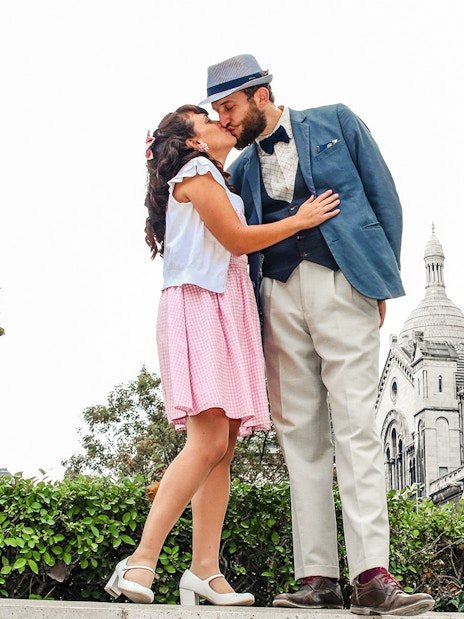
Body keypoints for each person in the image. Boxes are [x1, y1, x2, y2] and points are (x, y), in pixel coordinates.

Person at [199, 54, 436, 615]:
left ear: (261, 94)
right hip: (276, 297)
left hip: (341, 282)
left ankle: (374, 577)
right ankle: (317, 578)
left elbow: (385, 199)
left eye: (229, 107)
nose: (225, 120)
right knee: (298, 435)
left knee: (356, 423)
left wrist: (378, 280)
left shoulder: (336, 121)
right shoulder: (237, 169)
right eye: (216, 111)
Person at [104, 104, 340, 606]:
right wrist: (300, 221)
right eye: (207, 120)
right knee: (207, 442)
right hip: (202, 307)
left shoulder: (214, 175)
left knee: (222, 448)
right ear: (192, 142)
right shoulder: (196, 171)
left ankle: (205, 572)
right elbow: (235, 240)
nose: (221, 123)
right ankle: (141, 560)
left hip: (224, 307)